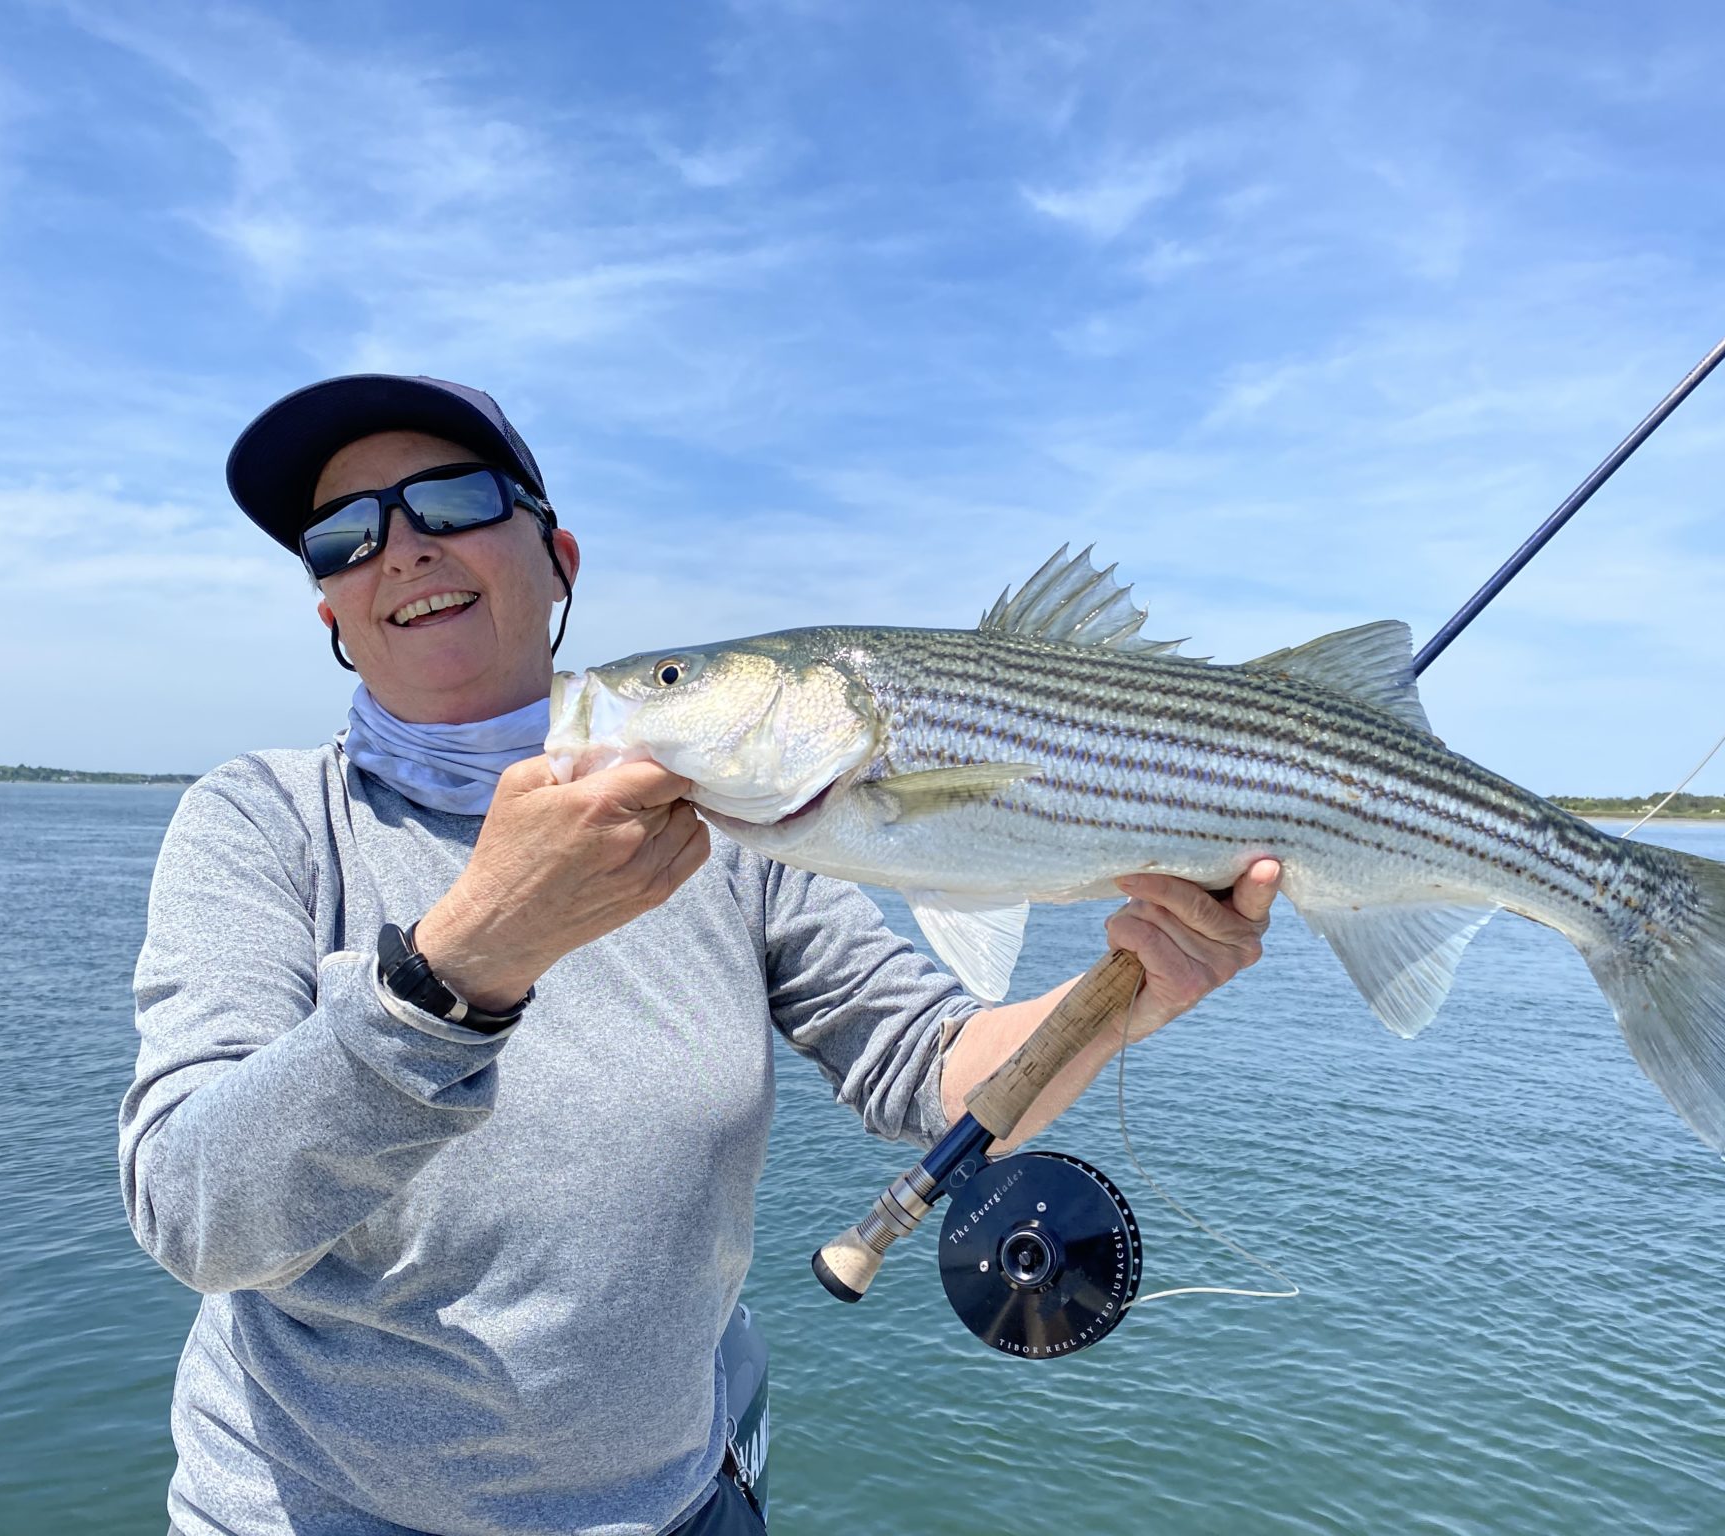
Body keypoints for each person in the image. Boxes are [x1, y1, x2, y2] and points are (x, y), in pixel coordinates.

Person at [119, 374, 1282, 1536]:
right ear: (329, 611)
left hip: (675, 1507)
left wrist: (1131, 992)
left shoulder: (736, 828)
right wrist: (463, 964)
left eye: (453, 501)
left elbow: (930, 1070)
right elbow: (197, 1220)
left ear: (556, 556)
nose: (403, 548)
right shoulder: (263, 821)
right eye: (343, 536)